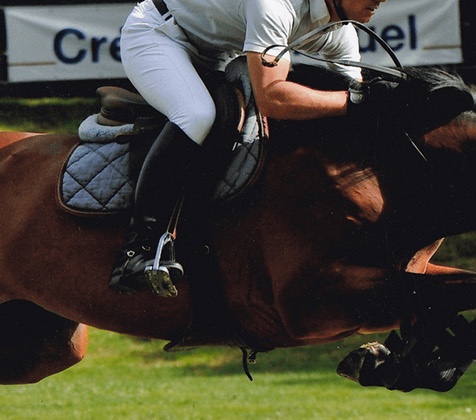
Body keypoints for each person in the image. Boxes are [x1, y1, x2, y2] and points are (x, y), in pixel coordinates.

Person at [109, 0, 393, 296]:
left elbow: (356, 100)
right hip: (158, 34)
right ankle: (137, 250)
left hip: (215, 52)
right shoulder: (276, 4)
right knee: (198, 115)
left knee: (228, 116)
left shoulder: (340, 31)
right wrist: (358, 101)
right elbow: (273, 97)